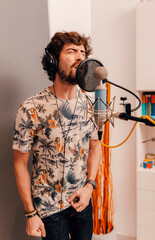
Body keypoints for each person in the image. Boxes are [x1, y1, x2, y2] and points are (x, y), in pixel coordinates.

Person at [13, 31, 100, 240]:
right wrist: (30, 213)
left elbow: (95, 147)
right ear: (53, 61)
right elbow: (19, 164)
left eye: (83, 52)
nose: (80, 57)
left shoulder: (91, 105)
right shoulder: (30, 108)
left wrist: (90, 186)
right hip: (49, 210)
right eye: (72, 51)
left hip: (82, 202)